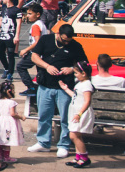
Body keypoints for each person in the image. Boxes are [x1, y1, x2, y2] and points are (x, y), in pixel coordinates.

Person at [27, 23, 88, 157]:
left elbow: (84, 64)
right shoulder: (46, 40)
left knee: (66, 117)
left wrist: (71, 69)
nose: (66, 43)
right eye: (64, 40)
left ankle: (64, 144)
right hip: (45, 84)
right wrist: (47, 66)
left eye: (69, 41)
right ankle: (43, 142)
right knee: (44, 115)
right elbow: (34, 56)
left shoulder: (76, 46)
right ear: (58, 34)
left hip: (64, 87)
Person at [62, 62, 95, 167]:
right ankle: (78, 157)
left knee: (74, 135)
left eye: (76, 73)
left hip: (81, 113)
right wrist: (66, 89)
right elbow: (75, 96)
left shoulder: (87, 85)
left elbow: (87, 101)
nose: (75, 75)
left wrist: (79, 114)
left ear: (83, 73)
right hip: (75, 111)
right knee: (77, 135)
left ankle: (84, 158)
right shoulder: (80, 83)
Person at [15, 3, 47, 96]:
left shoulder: (36, 26)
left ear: (37, 14)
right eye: (27, 13)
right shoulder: (40, 24)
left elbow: (37, 41)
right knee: (41, 72)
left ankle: (31, 87)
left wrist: (26, 50)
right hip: (39, 53)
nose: (27, 16)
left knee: (20, 66)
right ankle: (40, 89)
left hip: (36, 53)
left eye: (30, 14)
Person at [0, 80, 25, 163]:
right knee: (7, 140)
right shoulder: (11, 102)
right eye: (13, 90)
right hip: (8, 123)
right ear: (8, 91)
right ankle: (7, 157)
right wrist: (20, 117)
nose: (14, 92)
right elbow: (12, 114)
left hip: (1, 122)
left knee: (2, 140)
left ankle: (1, 156)